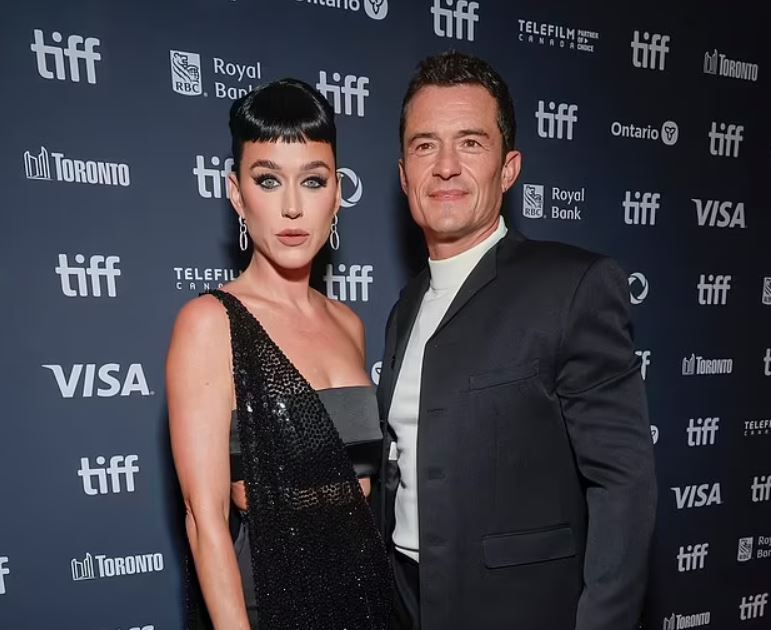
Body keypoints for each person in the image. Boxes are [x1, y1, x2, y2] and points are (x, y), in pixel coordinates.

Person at [376, 51, 657, 630]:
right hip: (405, 603)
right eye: (425, 145)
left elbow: (623, 483)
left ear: (508, 169)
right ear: (404, 175)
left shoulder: (572, 285)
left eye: (470, 143)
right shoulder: (405, 307)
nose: (446, 166)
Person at [167, 78, 391, 630]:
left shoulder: (349, 325)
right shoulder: (211, 322)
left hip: (367, 598)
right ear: (236, 193)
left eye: (313, 180)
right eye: (268, 180)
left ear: (337, 193)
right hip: (270, 603)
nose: (292, 207)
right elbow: (204, 519)